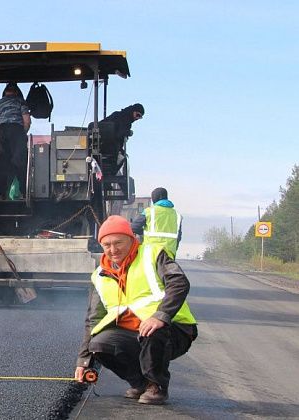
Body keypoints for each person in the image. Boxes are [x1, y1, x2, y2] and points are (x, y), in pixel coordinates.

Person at [74, 216, 197, 405]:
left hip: (173, 329)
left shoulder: (152, 254)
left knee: (151, 330)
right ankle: (141, 383)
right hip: (133, 334)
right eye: (107, 245)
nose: (113, 250)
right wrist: (84, 361)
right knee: (99, 344)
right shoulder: (99, 275)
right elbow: (93, 319)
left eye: (118, 243)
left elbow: (179, 282)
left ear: (132, 239)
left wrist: (160, 316)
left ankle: (157, 385)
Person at [0, 82, 31, 199]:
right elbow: (27, 120)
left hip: (2, 131)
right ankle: (24, 192)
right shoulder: (20, 102)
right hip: (17, 130)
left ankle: (1, 193)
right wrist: (23, 133)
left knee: (2, 163)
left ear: (5, 92)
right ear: (16, 92)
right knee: (20, 162)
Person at [94, 103, 144, 175]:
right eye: (138, 115)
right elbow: (118, 135)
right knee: (122, 161)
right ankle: (113, 176)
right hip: (107, 147)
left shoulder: (121, 117)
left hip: (108, 147)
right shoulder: (122, 118)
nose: (137, 118)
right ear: (133, 111)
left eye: (140, 117)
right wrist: (128, 132)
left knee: (122, 160)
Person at [132, 187, 183, 259]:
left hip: (150, 253)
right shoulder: (177, 215)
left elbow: (134, 227)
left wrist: (143, 233)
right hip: (169, 255)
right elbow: (178, 237)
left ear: (156, 198)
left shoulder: (148, 212)